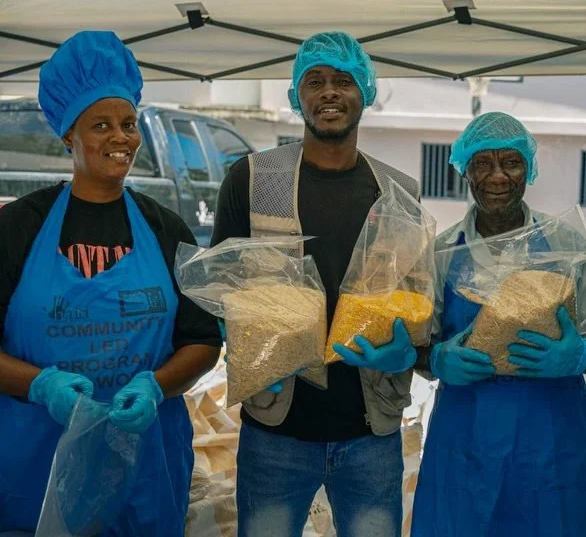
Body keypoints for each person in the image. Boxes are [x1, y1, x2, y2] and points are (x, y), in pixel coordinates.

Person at [0, 31, 222, 534]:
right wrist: (40, 384)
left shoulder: (165, 228)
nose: (120, 138)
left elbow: (204, 340)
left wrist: (155, 385)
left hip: (146, 467)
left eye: (128, 123)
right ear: (68, 136)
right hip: (37, 467)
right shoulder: (18, 228)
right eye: (100, 125)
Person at [212, 31, 421, 537]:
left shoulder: (398, 191)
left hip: (370, 430)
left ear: (366, 92)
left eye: (344, 80)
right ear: (295, 94)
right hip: (276, 428)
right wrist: (247, 353)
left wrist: (408, 351)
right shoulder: (253, 179)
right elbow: (219, 288)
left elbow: (417, 295)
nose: (330, 91)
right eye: (315, 81)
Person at [410, 112, 586, 536]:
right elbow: (416, 348)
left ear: (529, 169)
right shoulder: (442, 253)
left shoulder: (566, 244)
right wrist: (437, 359)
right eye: (483, 163)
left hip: (553, 440)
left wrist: (580, 355)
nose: (498, 176)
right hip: (466, 441)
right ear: (465, 170)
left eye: (511, 162)